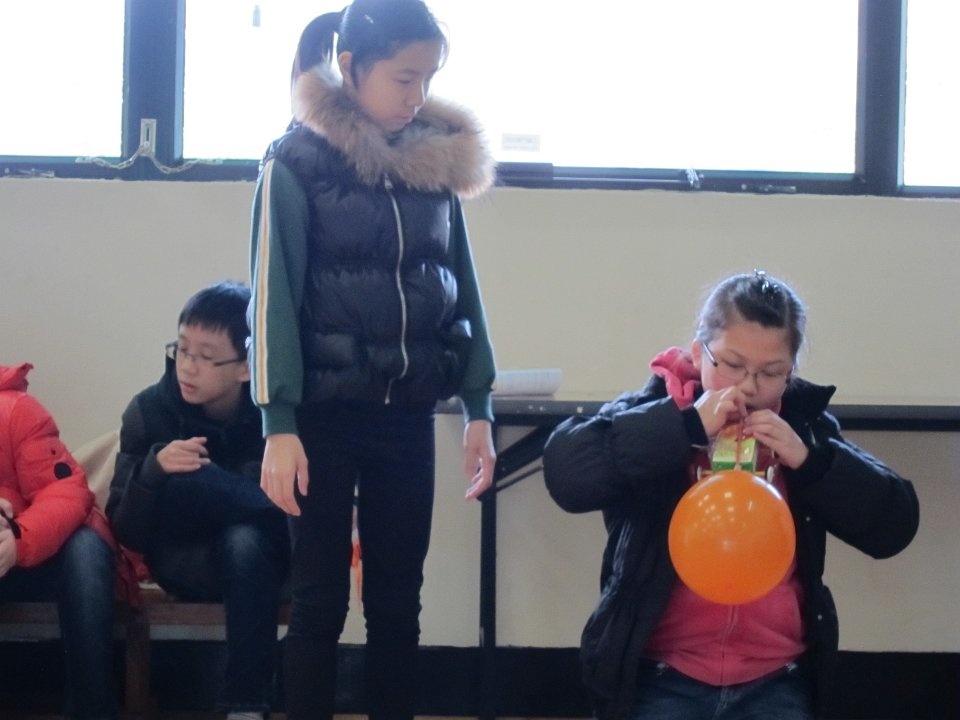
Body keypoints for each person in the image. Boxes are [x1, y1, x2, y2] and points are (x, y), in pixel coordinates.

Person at [247, 1, 497, 717]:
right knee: (319, 602)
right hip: (320, 420)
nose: (417, 96)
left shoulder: (434, 163)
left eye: (428, 79)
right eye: (403, 78)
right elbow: (271, 299)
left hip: (405, 416)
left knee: (396, 603)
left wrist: (478, 405)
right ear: (350, 67)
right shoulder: (294, 162)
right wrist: (278, 422)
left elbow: (460, 285)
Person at [542, 270, 920, 720]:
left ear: (791, 372)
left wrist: (810, 462)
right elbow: (566, 474)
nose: (748, 386)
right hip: (660, 673)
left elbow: (894, 524)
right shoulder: (656, 410)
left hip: (775, 677)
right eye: (732, 365)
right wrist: (683, 428)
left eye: (771, 372)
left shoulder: (803, 428)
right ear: (698, 352)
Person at [106, 281, 289, 720]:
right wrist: (153, 471)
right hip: (184, 560)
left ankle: (245, 706)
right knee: (184, 478)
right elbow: (124, 530)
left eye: (206, 357)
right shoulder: (149, 411)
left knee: (242, 538)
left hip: (259, 564)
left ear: (246, 367)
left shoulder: (275, 420)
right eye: (182, 350)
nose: (187, 367)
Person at [0, 362, 118, 720]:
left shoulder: (16, 410)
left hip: (34, 550)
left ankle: (92, 711)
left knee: (86, 550)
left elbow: (66, 491)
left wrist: (18, 538)